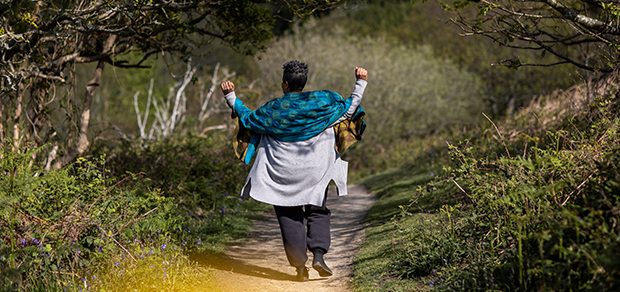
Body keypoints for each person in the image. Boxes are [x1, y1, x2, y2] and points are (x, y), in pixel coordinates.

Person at [220, 60, 368, 281]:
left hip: (282, 172)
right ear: (303, 82)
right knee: (317, 210)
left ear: (285, 84)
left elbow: (248, 118)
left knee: (289, 215)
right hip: (316, 169)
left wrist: (231, 97)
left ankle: (300, 268)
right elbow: (349, 109)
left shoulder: (273, 109)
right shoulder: (323, 102)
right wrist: (360, 82)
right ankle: (319, 255)